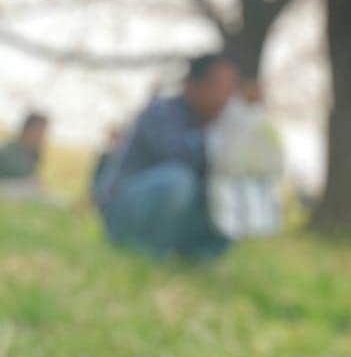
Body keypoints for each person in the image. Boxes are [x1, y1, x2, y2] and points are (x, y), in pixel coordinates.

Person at [95, 53, 238, 260]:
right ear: (192, 85)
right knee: (178, 180)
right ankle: (142, 249)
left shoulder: (221, 128)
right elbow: (179, 158)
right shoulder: (162, 112)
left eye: (230, 89)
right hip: (126, 208)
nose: (225, 97)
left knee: (233, 196)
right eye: (218, 86)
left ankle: (189, 256)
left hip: (176, 216)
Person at [205, 77, 285, 239]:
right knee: (233, 207)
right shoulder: (230, 113)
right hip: (232, 171)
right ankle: (232, 236)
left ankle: (260, 236)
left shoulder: (261, 116)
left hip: (259, 171)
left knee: (262, 207)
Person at [0, 111, 50, 197]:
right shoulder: (7, 151)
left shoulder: (34, 153)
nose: (42, 136)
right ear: (28, 129)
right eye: (40, 131)